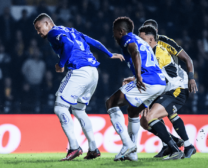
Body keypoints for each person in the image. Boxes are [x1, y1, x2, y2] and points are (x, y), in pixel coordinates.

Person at [33, 13, 124, 161]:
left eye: (39, 28)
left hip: (79, 71)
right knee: (79, 110)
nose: (38, 32)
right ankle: (93, 148)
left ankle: (74, 147)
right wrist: (109, 53)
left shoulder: (53, 32)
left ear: (48, 24)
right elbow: (92, 41)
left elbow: (68, 45)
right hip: (93, 72)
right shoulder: (72, 30)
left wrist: (61, 64)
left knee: (60, 107)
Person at [106, 17, 167, 161]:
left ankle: (127, 144)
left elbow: (135, 53)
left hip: (147, 81)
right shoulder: (140, 40)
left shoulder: (127, 38)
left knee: (110, 103)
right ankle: (132, 153)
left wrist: (138, 76)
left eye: (114, 32)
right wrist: (135, 77)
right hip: (159, 82)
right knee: (133, 111)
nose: (113, 36)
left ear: (121, 31)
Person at [136, 25, 196, 159]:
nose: (139, 42)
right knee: (144, 121)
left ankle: (174, 149)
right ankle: (184, 144)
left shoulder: (158, 53)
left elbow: (150, 78)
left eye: (142, 39)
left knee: (150, 116)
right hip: (166, 89)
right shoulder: (150, 51)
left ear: (151, 39)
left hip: (177, 88)